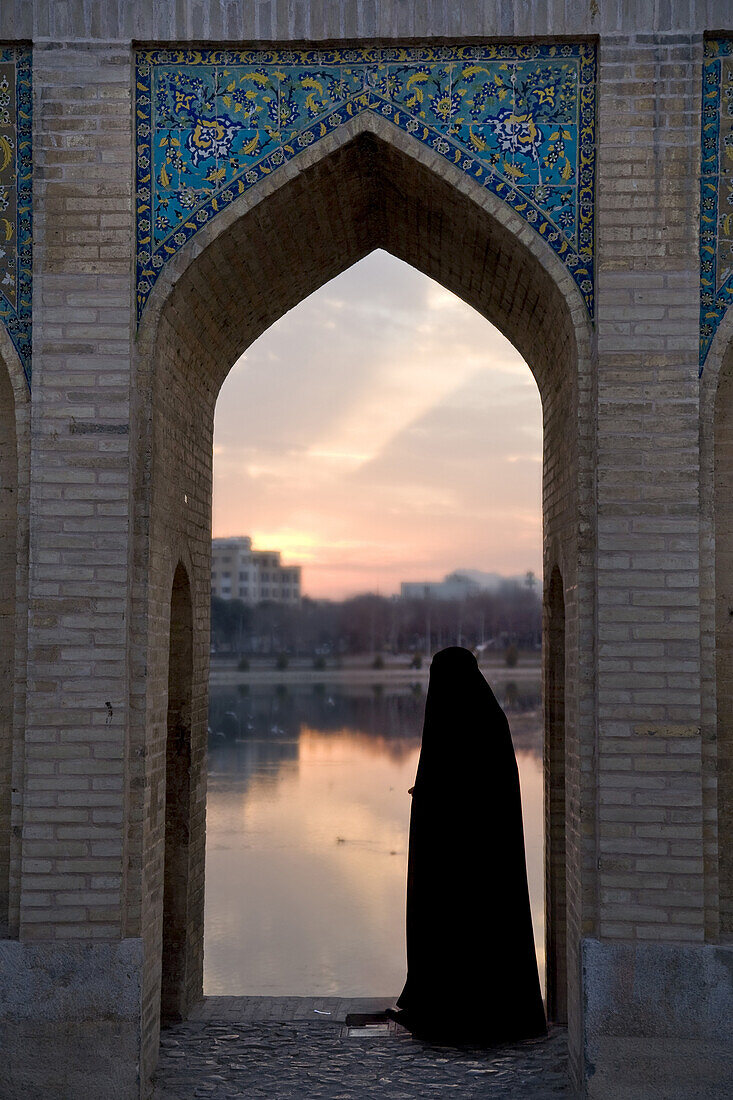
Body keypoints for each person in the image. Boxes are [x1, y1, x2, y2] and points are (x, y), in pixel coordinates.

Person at [387, 646, 546, 1045]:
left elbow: (449, 787)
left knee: (452, 926)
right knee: (486, 931)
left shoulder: (452, 722)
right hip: (489, 859)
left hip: (455, 859)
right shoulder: (493, 720)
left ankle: (450, 1012)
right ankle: (495, 1013)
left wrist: (429, 801)